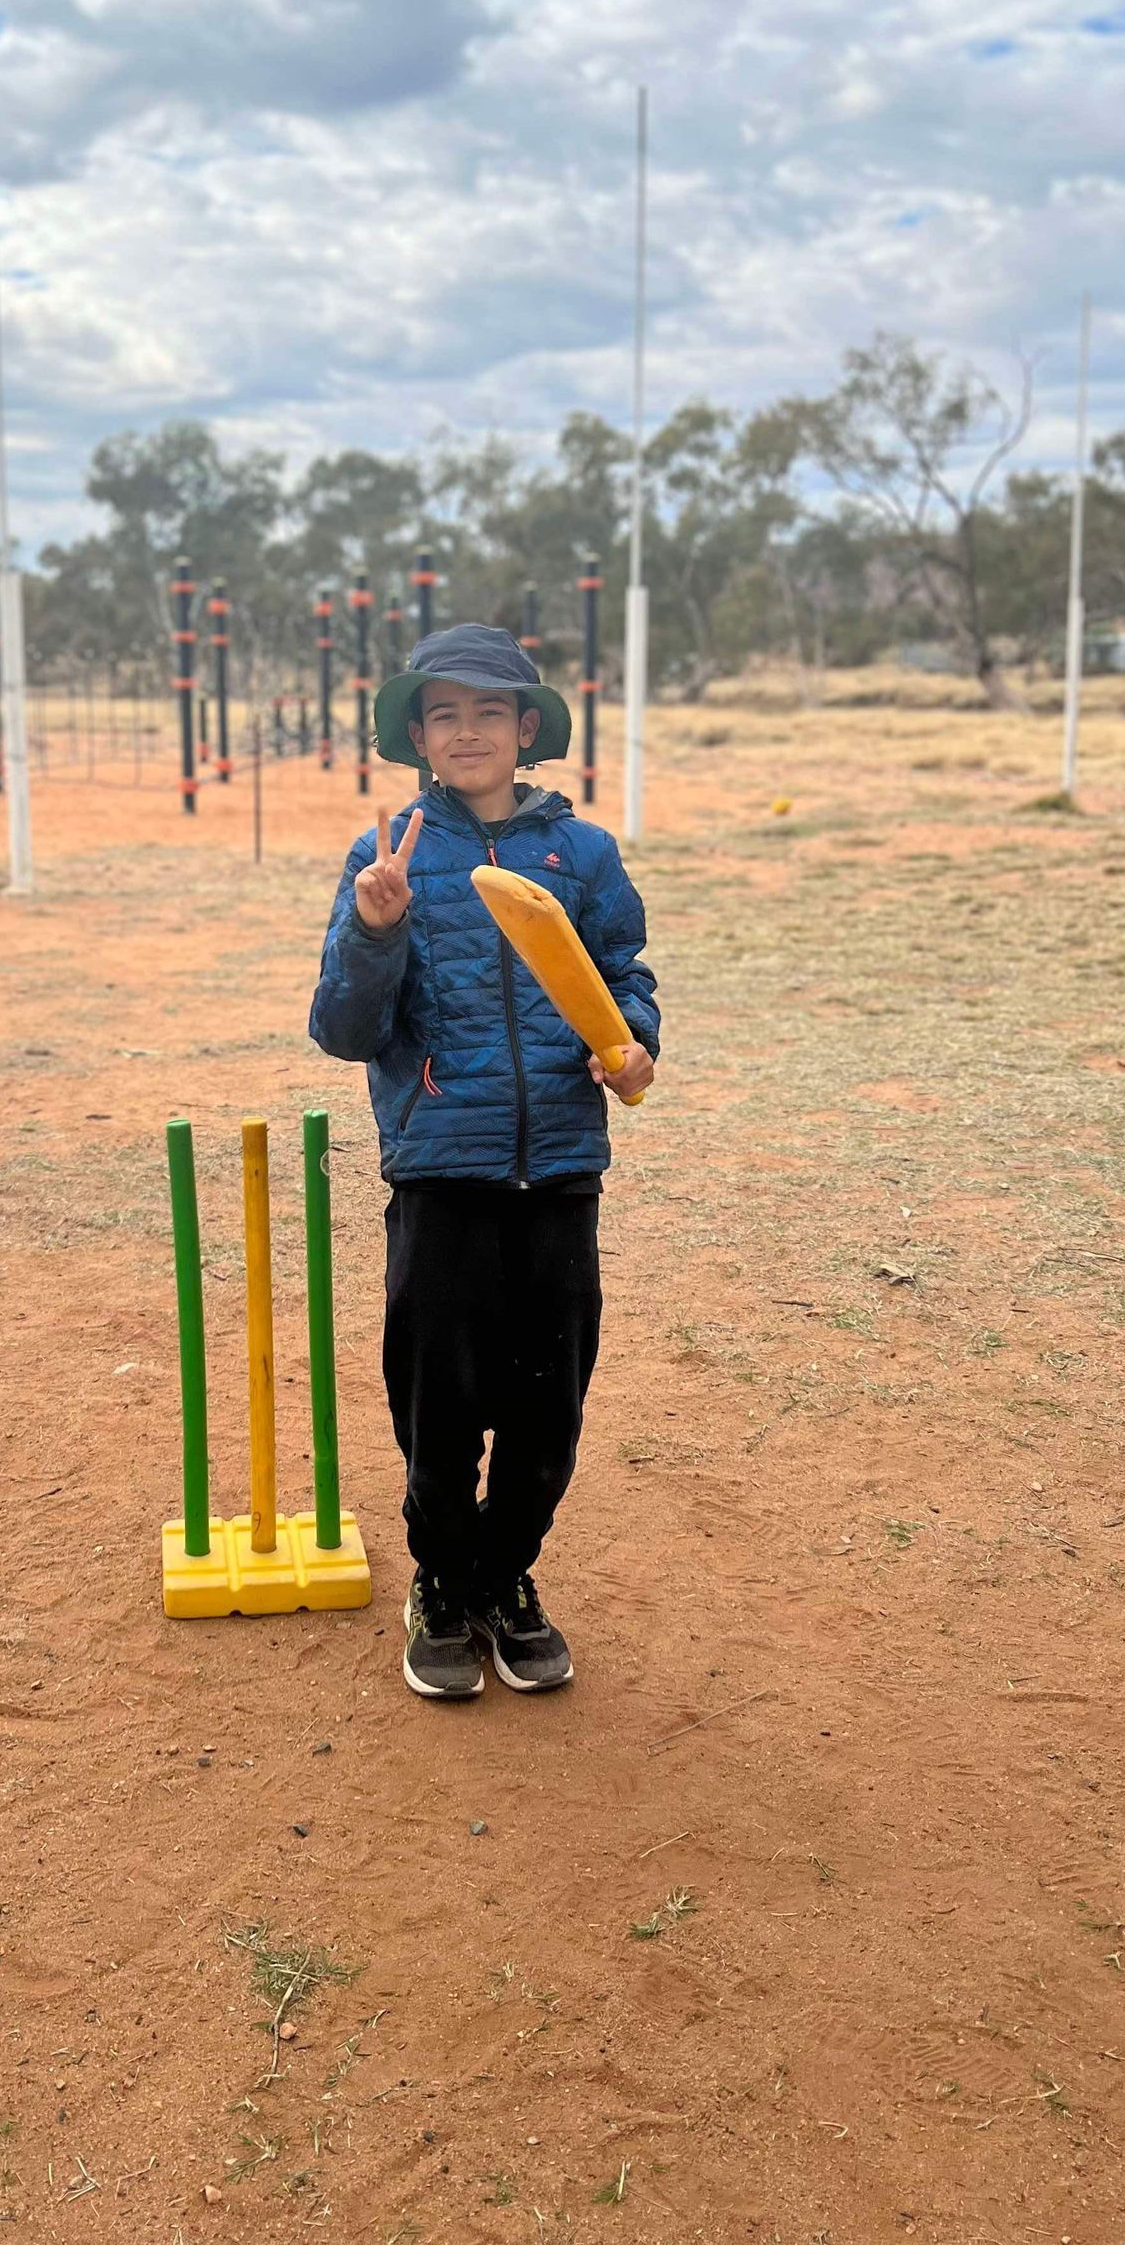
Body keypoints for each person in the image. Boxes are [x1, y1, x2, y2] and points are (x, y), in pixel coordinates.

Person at [308, 622, 659, 1700]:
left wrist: (636, 1048)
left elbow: (624, 978)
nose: (469, 732)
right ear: (418, 734)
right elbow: (345, 1028)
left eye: (490, 712)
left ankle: (508, 1577)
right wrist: (375, 927)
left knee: (549, 1404)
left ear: (527, 730)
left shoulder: (585, 854)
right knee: (443, 1403)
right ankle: (442, 1583)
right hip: (440, 1173)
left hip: (558, 1169)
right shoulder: (394, 854)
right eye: (446, 714)